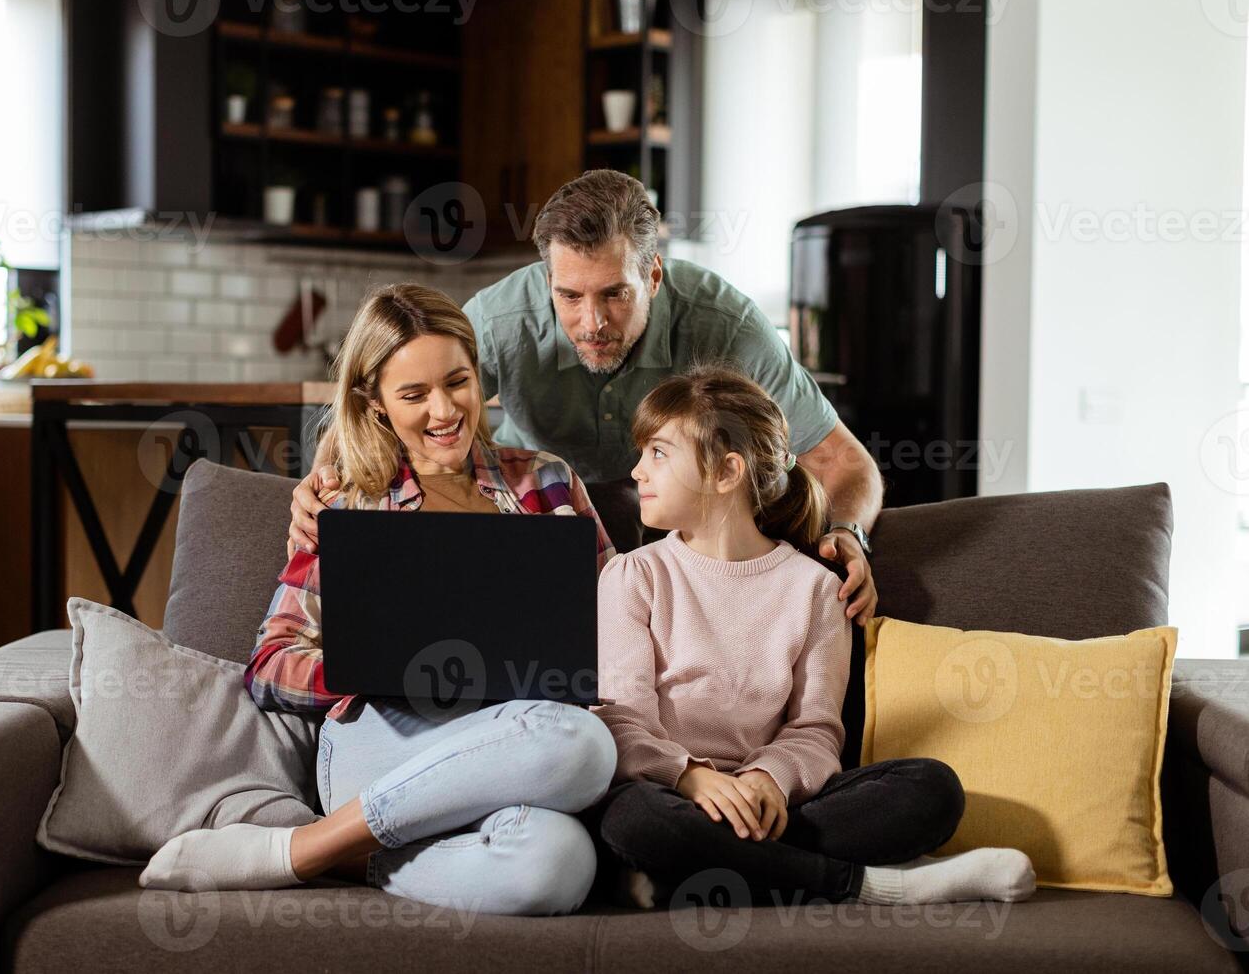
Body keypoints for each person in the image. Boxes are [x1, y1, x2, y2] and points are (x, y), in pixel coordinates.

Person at [139, 283, 620, 917]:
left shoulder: (547, 482)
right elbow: (269, 663)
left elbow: (618, 622)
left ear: (480, 376)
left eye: (458, 382)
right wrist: (373, 662)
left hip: (515, 746)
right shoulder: (349, 499)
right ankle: (301, 850)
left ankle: (342, 854)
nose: (444, 410)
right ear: (376, 403)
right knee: (582, 745)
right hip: (382, 741)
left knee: (560, 863)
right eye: (414, 394)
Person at [290, 170, 883, 625]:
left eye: (614, 294)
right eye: (569, 296)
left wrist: (847, 535)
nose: (591, 322)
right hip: (540, 525)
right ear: (546, 277)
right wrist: (320, 491)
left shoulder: (725, 325)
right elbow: (391, 409)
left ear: (652, 276)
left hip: (675, 526)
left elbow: (843, 463)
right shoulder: (501, 321)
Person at [589, 364, 1035, 908]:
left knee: (932, 789)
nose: (636, 471)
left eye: (658, 453)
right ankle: (867, 885)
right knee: (632, 819)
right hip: (670, 795)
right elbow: (623, 721)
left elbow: (816, 730)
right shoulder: (633, 577)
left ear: (727, 472)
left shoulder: (816, 590)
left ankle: (696, 871)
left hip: (777, 806)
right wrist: (691, 780)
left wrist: (769, 779)